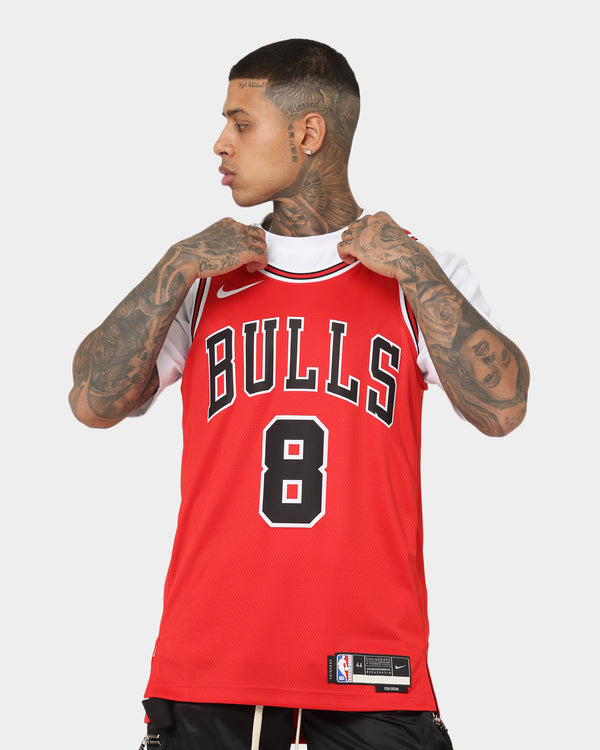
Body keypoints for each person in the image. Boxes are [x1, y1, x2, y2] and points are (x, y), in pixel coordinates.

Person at [69, 38, 529, 750]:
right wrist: (175, 265)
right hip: (211, 666)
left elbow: (503, 409)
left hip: (371, 669)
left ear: (307, 133)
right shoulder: (202, 275)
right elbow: (92, 402)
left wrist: (414, 268)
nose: (220, 143)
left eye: (241, 122)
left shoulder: (419, 271)